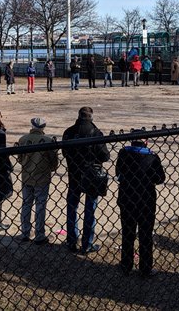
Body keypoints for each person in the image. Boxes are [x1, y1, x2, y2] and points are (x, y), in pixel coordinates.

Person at [62, 107, 111, 254]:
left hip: (74, 174)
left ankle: (71, 241)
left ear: (79, 116)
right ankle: (87, 243)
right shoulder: (96, 132)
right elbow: (105, 156)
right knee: (90, 209)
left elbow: (65, 152)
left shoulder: (69, 132)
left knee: (72, 207)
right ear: (91, 117)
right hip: (92, 176)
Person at [116, 135, 165, 276]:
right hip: (146, 200)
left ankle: (126, 265)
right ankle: (145, 267)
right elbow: (160, 178)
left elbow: (118, 172)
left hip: (127, 197)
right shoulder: (152, 157)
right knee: (146, 235)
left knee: (127, 233)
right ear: (146, 142)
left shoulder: (124, 154)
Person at [18, 117, 59, 244]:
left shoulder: (23, 139)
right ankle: (39, 234)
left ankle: (25, 232)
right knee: (40, 206)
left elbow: (20, 159)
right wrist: (50, 168)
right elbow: (54, 161)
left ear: (32, 126)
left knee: (26, 204)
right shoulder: (48, 140)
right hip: (42, 177)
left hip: (27, 176)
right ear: (43, 127)